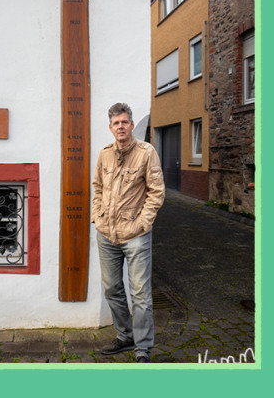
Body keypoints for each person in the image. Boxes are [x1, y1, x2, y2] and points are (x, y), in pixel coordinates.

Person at [91, 103, 165, 363]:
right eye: (115, 123)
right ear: (110, 128)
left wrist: (142, 224)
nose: (120, 126)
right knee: (112, 288)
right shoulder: (104, 154)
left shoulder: (146, 153)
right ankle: (124, 336)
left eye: (124, 122)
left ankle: (143, 347)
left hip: (135, 235)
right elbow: (98, 187)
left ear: (132, 125)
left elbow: (157, 192)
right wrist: (97, 217)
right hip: (107, 235)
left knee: (141, 294)